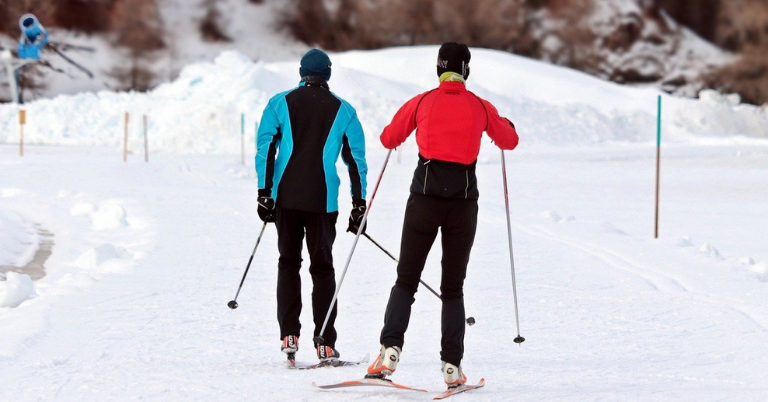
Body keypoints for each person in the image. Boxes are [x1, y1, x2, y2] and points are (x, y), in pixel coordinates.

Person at [366, 42, 519, 387]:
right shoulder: (480, 106)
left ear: (439, 69)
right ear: (466, 70)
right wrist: (504, 123)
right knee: (453, 287)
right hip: (463, 206)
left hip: (423, 201)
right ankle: (452, 366)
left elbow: (389, 138)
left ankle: (389, 351)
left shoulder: (422, 101)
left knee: (406, 278)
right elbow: (509, 141)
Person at [255, 48, 368, 363]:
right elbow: (355, 161)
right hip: (323, 201)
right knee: (322, 268)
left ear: (302, 72)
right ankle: (325, 342)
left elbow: (266, 148)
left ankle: (289, 335)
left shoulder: (279, 103)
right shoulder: (343, 110)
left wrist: (264, 193)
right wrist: (359, 204)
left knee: (288, 264)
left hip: (286, 198)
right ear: (327, 74)